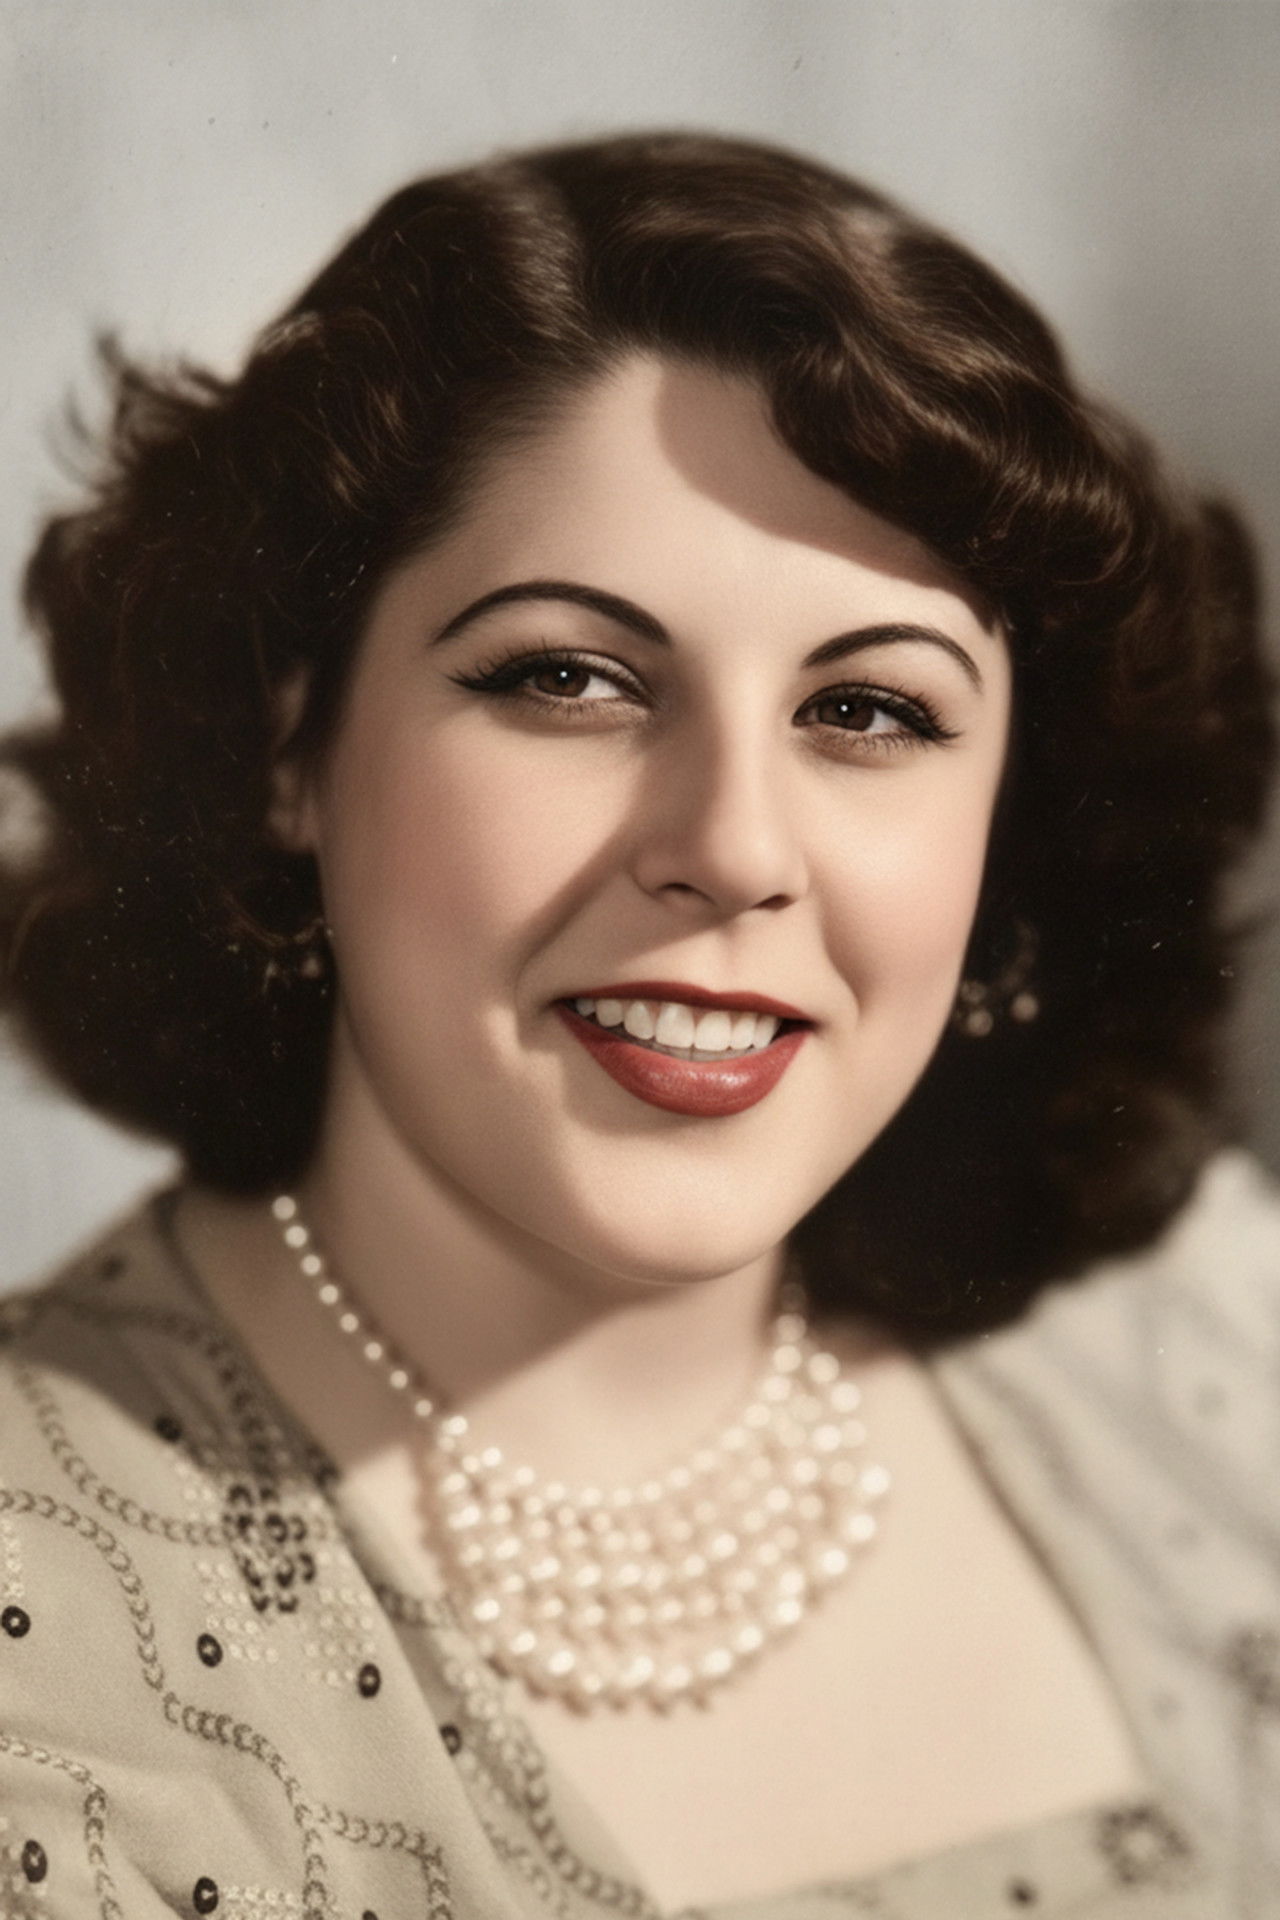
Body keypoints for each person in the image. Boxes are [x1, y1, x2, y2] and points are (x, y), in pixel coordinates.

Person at [0, 130, 1276, 1918]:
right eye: (569, 678)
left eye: (872, 711)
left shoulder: (1208, 1345)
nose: (735, 850)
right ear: (292, 744)